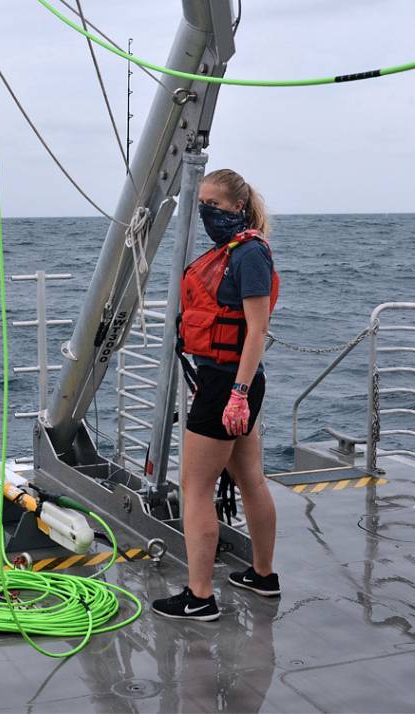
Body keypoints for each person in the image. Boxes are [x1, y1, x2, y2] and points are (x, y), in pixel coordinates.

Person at [152, 168, 281, 621]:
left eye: (215, 206)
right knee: (249, 478)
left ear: (238, 209)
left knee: (196, 487)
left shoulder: (249, 256)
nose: (206, 212)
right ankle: (263, 576)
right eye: (201, 204)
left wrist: (238, 394)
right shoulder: (229, 253)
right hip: (226, 382)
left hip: (229, 384)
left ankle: (199, 595)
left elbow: (257, 330)